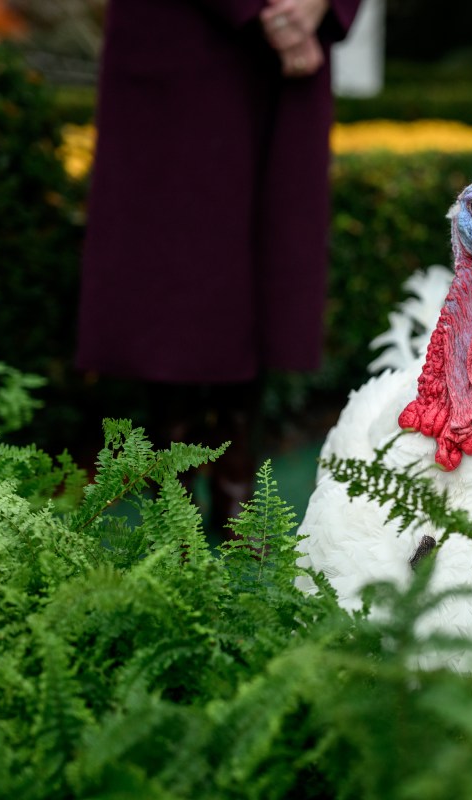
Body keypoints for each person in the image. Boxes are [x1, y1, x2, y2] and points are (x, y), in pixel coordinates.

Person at [75, 0, 363, 533]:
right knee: (176, 253)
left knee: (269, 248)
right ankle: (171, 486)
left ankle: (239, 479)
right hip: (179, 35)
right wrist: (270, 11)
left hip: (290, 51)